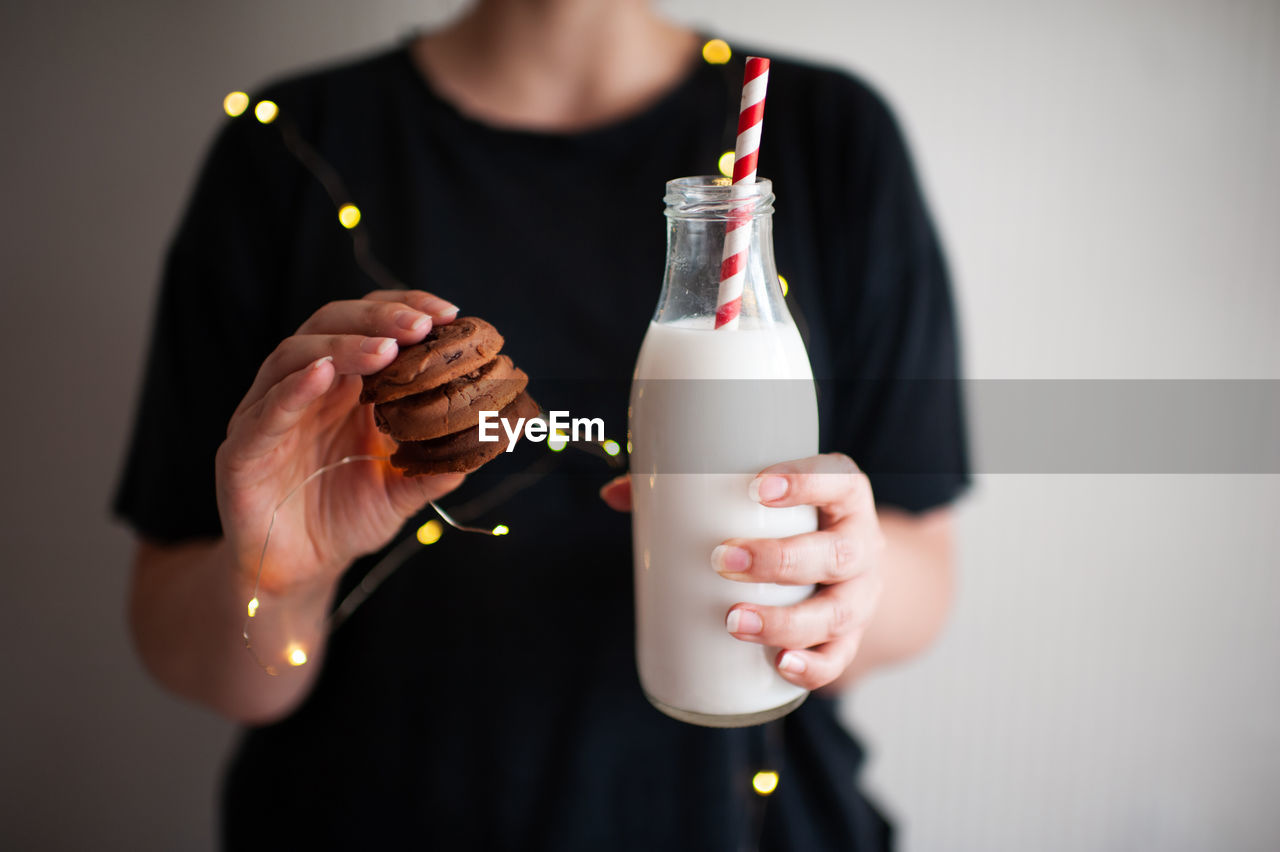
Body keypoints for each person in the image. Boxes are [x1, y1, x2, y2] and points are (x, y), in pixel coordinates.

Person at [115, 0, 967, 848]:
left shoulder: (827, 131)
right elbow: (181, 642)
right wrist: (280, 580)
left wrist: (836, 584)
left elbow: (923, 570)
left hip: (739, 822)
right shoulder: (289, 143)